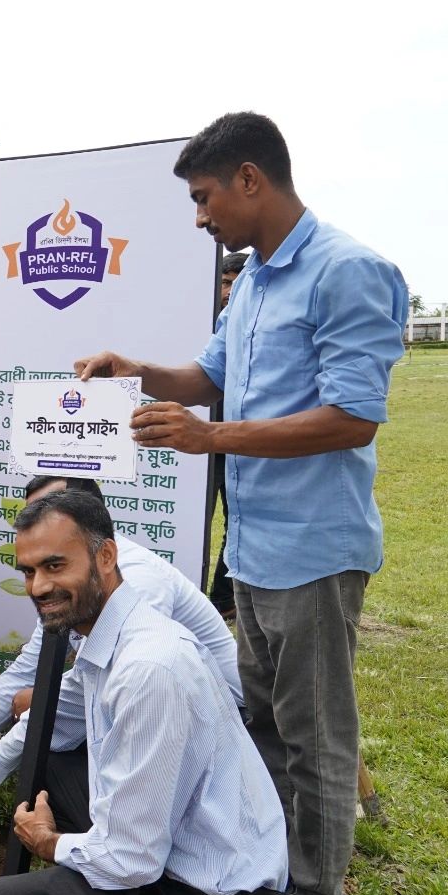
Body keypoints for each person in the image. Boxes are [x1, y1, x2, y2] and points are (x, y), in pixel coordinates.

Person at [75, 111, 408, 895]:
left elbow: (354, 417)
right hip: (253, 549)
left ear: (250, 179)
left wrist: (210, 436)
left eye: (204, 197)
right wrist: (139, 372)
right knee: (260, 721)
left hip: (314, 551)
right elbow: (209, 376)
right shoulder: (254, 280)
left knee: (315, 737)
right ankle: (268, 871)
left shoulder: (348, 272)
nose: (200, 217)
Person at [0, 489, 289, 895]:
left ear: (105, 556)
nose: (38, 586)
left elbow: (132, 860)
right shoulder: (116, 632)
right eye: (29, 571)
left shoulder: (148, 670)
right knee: (49, 756)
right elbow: (56, 716)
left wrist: (50, 844)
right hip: (191, 870)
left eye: (55, 565)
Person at [0, 476, 240, 784]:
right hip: (162, 711)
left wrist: (37, 706)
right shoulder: (66, 582)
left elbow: (105, 687)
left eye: (52, 512)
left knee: (46, 743)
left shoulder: (139, 580)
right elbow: (30, 667)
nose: (38, 527)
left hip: (221, 717)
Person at [208, 251, 248, 619]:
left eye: (237, 282)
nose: (230, 290)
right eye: (224, 282)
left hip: (241, 442)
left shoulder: (253, 324)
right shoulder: (204, 323)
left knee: (237, 522)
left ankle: (223, 600)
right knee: (201, 521)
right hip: (201, 444)